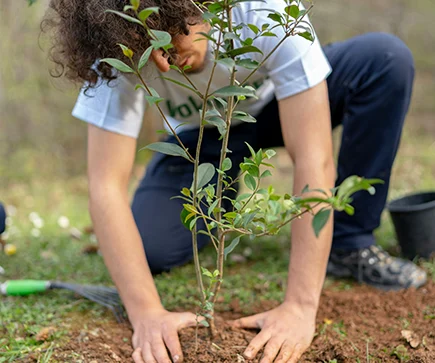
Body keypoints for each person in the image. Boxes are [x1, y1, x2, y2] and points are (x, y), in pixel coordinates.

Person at [45, 0, 427, 362]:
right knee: (150, 250)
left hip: (279, 103)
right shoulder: (115, 47)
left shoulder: (263, 13)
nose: (162, 63)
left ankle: (349, 244)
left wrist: (299, 307)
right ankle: (218, 195)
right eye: (148, 48)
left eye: (167, 37)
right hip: (201, 140)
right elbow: (105, 186)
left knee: (383, 59)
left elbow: (314, 158)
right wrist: (146, 313)